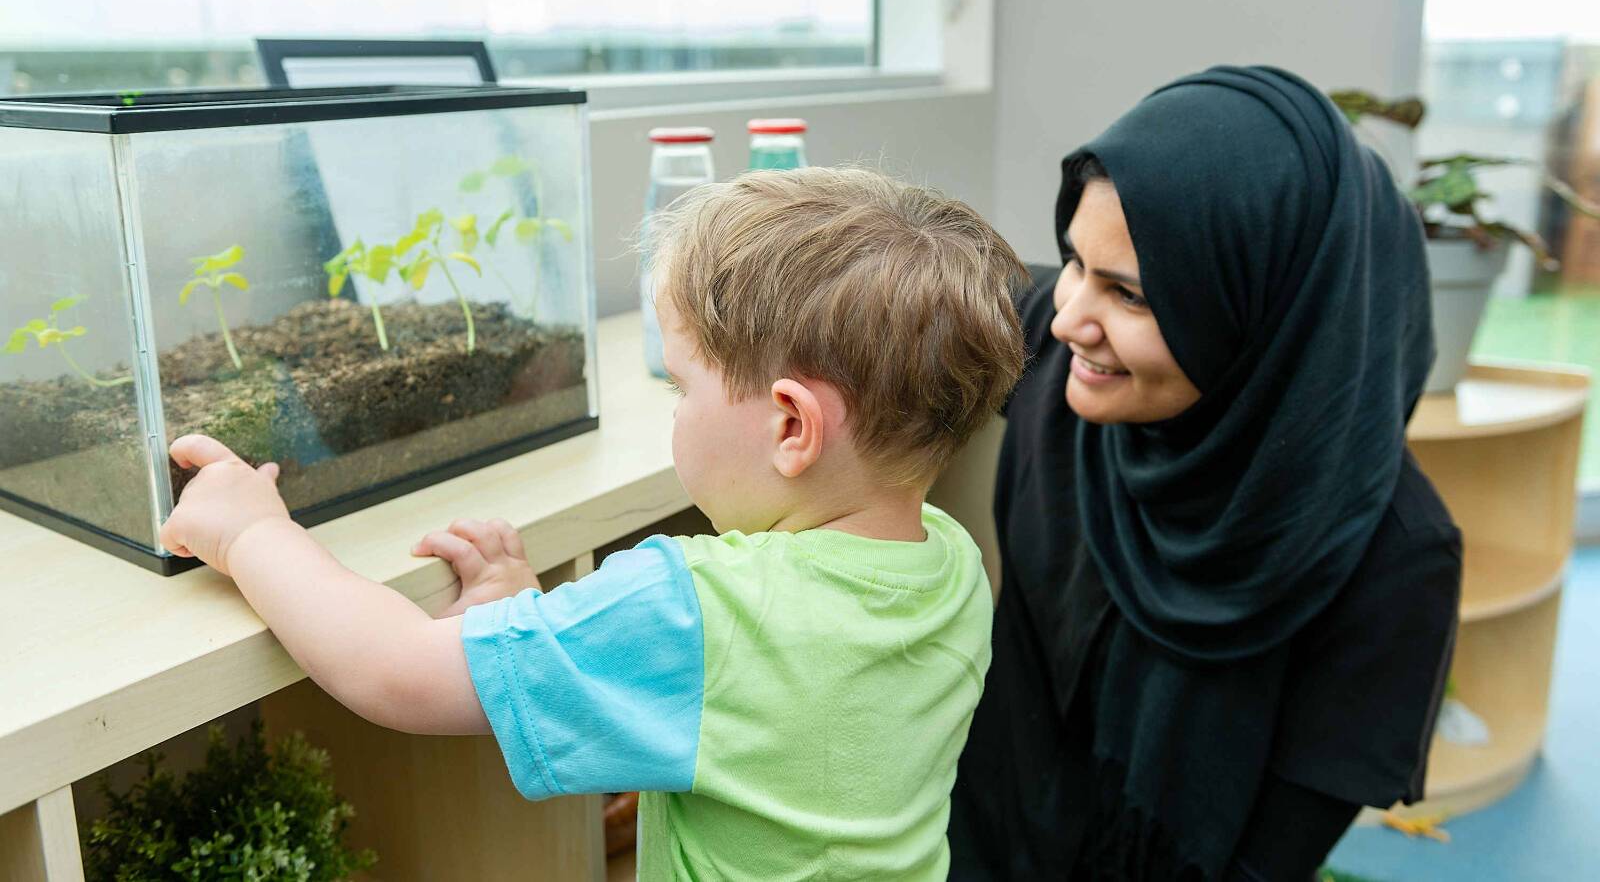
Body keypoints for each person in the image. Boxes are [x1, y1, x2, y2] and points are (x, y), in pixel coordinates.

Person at [159, 166, 1028, 880]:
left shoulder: (696, 610)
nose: (674, 409)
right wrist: (524, 616)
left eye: (680, 385)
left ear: (792, 427)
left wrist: (251, 533)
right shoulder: (950, 561)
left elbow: (394, 672)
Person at [948, 66, 1463, 880]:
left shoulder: (1395, 562)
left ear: (1256, 316)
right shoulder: (1066, 357)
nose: (1069, 317)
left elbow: (1270, 860)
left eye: (1130, 295)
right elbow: (896, 281)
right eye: (1074, 261)